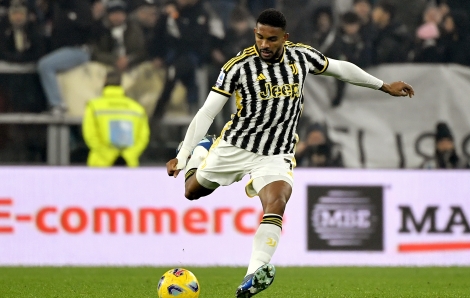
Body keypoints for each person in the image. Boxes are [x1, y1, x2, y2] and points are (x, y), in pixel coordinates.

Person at [165, 8, 414, 297]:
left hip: (277, 151)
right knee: (192, 191)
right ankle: (202, 152)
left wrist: (383, 86)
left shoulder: (302, 56)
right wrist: (184, 156)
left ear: (285, 37)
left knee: (277, 201)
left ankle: (252, 276)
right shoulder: (237, 67)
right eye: (260, 37)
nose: (265, 45)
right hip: (236, 145)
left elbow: (341, 68)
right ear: (254, 34)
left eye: (272, 39)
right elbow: (207, 112)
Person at [82, 72, 150, 167]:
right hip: (129, 165)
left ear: (104, 81)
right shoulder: (137, 108)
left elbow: (90, 136)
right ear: (121, 83)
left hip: (100, 165)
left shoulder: (94, 106)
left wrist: (109, 155)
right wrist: (127, 156)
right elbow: (143, 138)